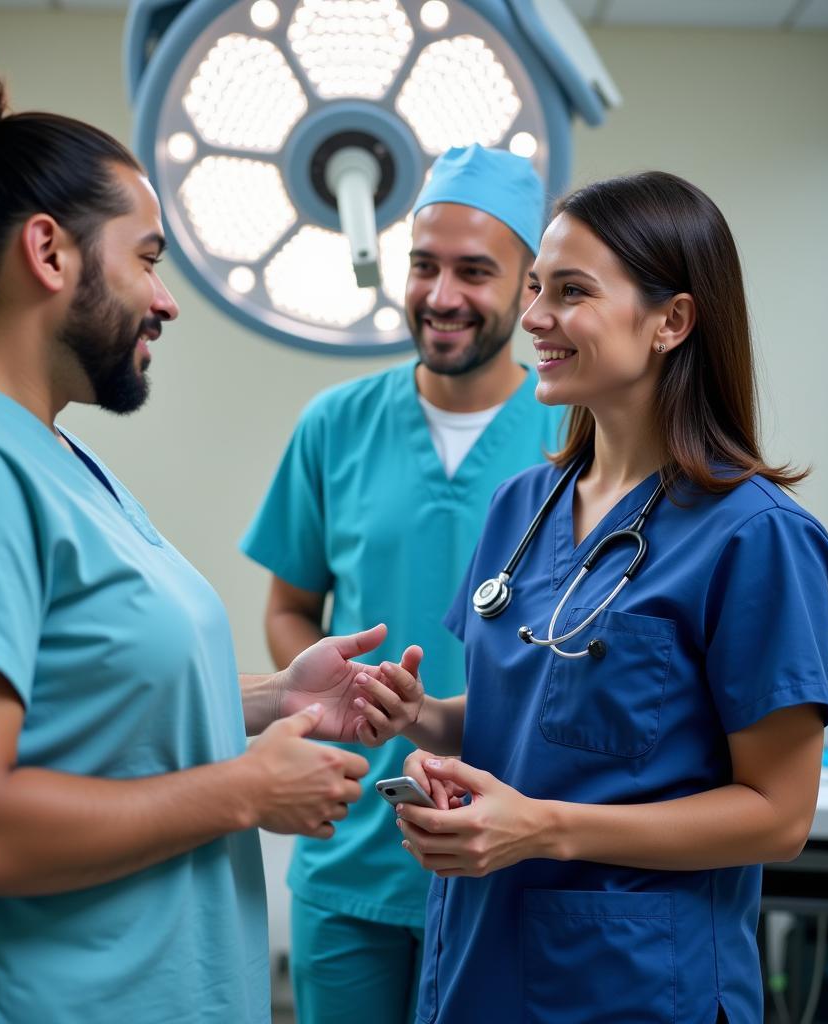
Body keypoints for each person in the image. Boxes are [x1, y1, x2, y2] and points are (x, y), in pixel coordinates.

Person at [0, 46, 401, 1024]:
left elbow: (76, 704)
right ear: (48, 253)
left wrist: (268, 698)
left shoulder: (39, 454)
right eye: (145, 258)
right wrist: (244, 792)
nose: (167, 299)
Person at [359, 170, 828, 1024]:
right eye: (538, 287)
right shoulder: (523, 504)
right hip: (476, 961)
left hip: (633, 983)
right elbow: (535, 713)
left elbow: (777, 816)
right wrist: (420, 717)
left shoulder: (755, 536)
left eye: (571, 291)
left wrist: (545, 827)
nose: (535, 316)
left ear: (673, 321)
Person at [241, 144, 564, 1024]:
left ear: (531, 286)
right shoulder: (334, 426)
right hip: (351, 854)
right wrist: (339, 691)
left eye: (474, 271)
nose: (441, 295)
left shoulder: (579, 435)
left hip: (504, 849)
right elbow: (289, 606)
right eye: (423, 265)